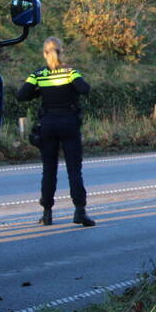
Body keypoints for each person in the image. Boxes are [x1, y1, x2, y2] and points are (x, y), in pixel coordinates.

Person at [17, 37, 94, 227]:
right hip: (69, 124)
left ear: (44, 53)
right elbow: (85, 89)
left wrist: (40, 92)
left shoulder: (38, 74)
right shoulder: (70, 72)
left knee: (48, 170)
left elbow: (21, 95)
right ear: (62, 51)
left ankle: (47, 213)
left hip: (48, 125)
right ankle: (79, 211)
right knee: (74, 170)